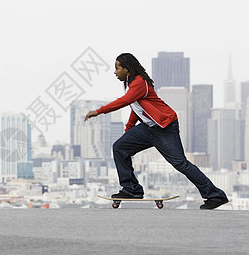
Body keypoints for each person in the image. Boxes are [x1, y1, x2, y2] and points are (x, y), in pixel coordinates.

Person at [84, 53, 229, 210]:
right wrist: (129, 130)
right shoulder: (130, 83)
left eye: (117, 68)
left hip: (164, 128)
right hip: (148, 128)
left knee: (180, 163)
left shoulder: (139, 82)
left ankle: (216, 196)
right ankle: (131, 189)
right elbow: (136, 108)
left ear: (127, 69)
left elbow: (125, 101)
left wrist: (99, 111)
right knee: (120, 147)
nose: (115, 72)